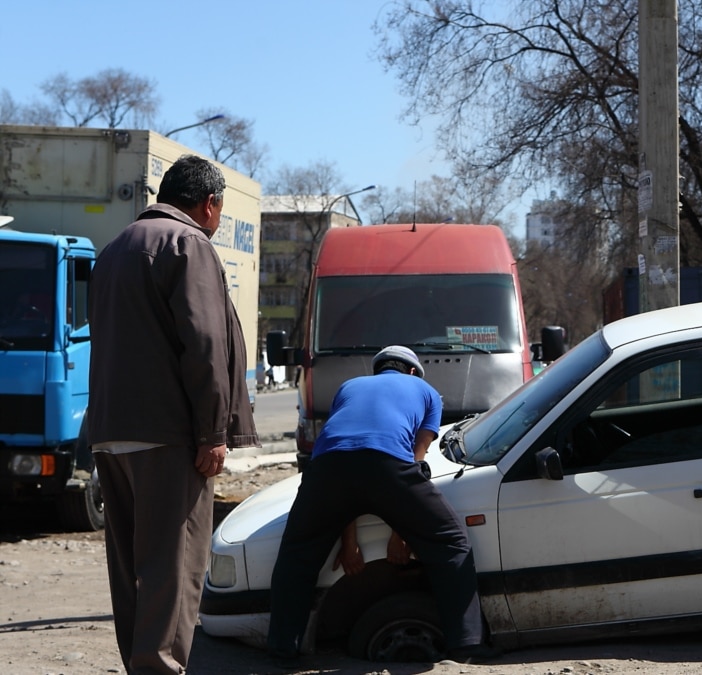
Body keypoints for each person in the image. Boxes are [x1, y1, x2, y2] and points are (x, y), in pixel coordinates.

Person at [89, 155, 259, 674]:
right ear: (210, 205)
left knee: (132, 572)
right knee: (173, 568)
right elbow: (203, 344)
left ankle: (140, 665)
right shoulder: (190, 244)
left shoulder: (114, 249)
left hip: (112, 434)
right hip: (167, 437)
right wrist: (212, 431)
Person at [267, 345, 493, 663]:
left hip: (325, 469)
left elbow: (349, 473)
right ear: (412, 371)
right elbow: (416, 461)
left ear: (378, 371)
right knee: (451, 543)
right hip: (387, 465)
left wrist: (349, 542)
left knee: (298, 553)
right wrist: (401, 534)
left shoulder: (349, 388)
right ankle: (466, 645)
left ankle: (281, 649)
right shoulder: (427, 392)